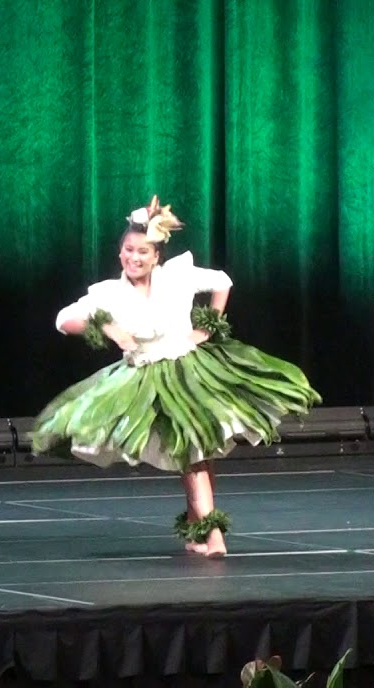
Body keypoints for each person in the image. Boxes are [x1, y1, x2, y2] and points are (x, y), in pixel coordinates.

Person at [29, 196, 321, 558]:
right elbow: (63, 320)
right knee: (193, 453)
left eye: (143, 252)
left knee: (195, 453)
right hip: (147, 382)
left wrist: (207, 328)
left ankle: (214, 537)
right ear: (120, 252)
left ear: (156, 257)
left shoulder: (177, 277)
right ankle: (198, 533)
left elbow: (223, 282)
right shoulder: (109, 294)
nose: (134, 258)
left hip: (192, 374)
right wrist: (108, 327)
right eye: (129, 250)